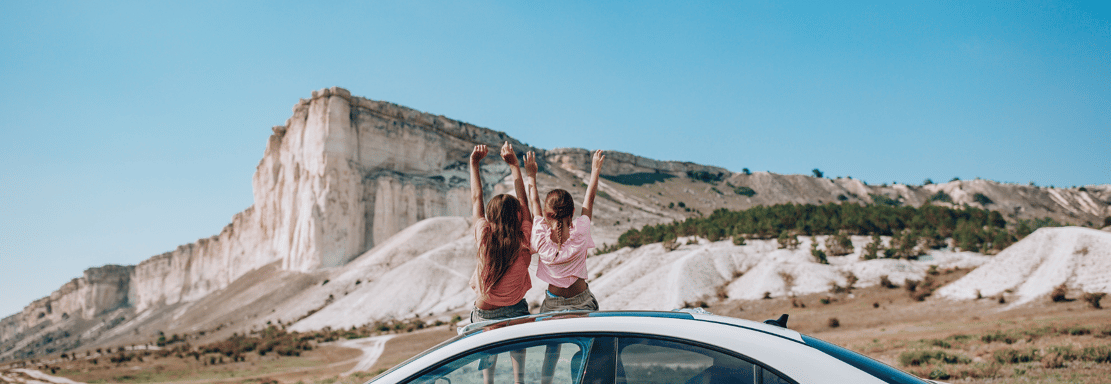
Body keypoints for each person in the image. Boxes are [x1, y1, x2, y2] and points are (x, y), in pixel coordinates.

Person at [521, 149, 604, 384]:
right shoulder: (581, 233)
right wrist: (595, 170)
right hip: (582, 300)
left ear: (547, 216)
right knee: (593, 349)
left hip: (553, 303)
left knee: (551, 352)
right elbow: (590, 200)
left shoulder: (540, 239)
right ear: (573, 213)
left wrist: (531, 176)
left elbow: (533, 203)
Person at [468, 143, 534, 384]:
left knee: (488, 370)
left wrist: (474, 163)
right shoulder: (524, 239)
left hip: (485, 313)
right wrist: (515, 166)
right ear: (517, 215)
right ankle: (519, 381)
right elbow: (525, 203)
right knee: (519, 372)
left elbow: (477, 197)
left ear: (491, 216)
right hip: (516, 309)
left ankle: (488, 381)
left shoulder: (484, 236)